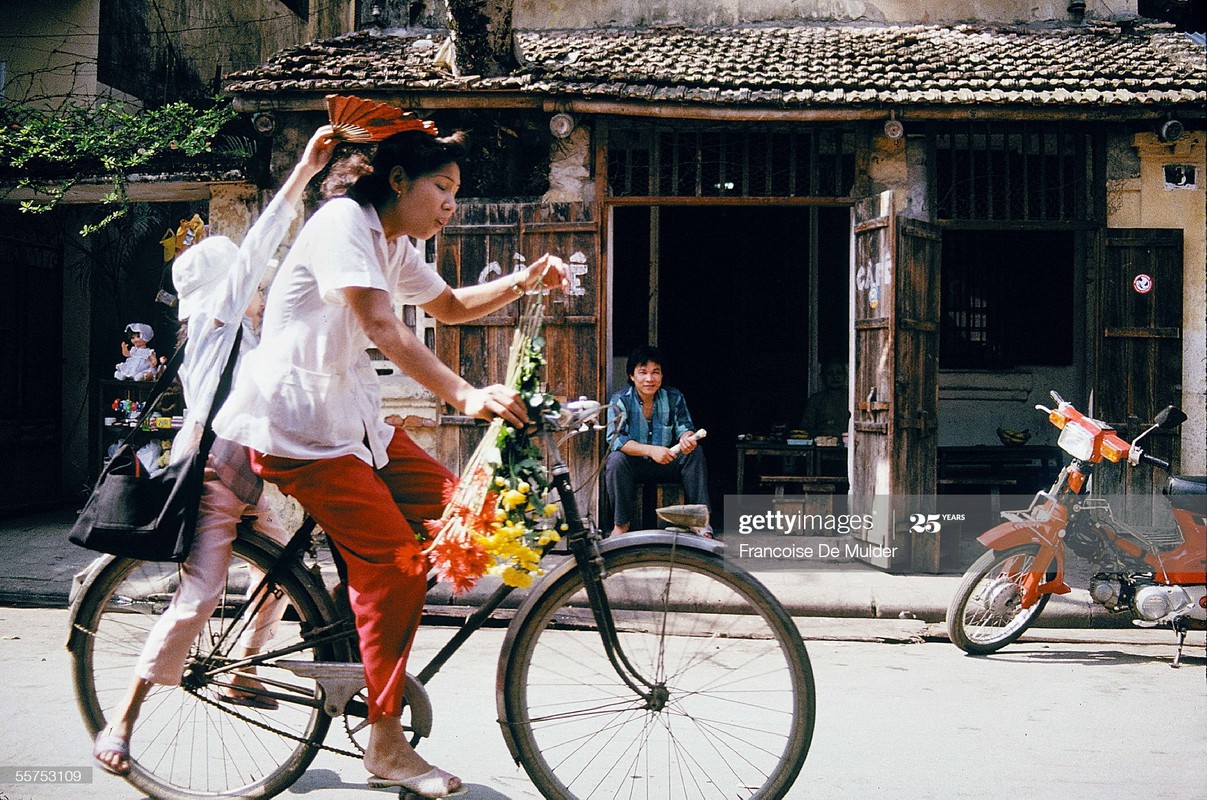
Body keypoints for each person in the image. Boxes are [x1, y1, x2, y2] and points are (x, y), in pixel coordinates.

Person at [211, 123, 568, 798]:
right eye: (443, 186)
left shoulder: (393, 241)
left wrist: (524, 279)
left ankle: (365, 641)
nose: (450, 204)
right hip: (300, 431)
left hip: (354, 423)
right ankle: (384, 741)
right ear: (398, 180)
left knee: (459, 511)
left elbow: (452, 306)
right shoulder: (345, 220)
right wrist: (464, 393)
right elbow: (382, 325)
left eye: (456, 191)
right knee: (398, 569)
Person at [92, 125, 339, 778]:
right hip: (208, 483)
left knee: (282, 574)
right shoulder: (215, 322)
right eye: (248, 279)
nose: (260, 285)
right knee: (200, 597)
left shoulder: (246, 333)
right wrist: (304, 173)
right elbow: (260, 247)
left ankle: (243, 673)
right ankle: (124, 715)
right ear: (230, 285)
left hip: (246, 483)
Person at [604, 345, 711, 536]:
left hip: (667, 461)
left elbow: (685, 428)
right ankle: (621, 524)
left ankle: (701, 522)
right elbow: (616, 440)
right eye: (643, 372)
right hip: (635, 465)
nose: (649, 379)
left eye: (656, 373)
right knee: (615, 460)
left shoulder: (673, 397)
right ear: (631, 376)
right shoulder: (620, 400)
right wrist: (651, 450)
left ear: (662, 376)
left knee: (695, 453)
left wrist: (687, 439)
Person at [800, 357, 850, 438]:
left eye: (839, 373)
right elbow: (805, 429)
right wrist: (822, 432)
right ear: (822, 376)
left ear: (845, 375)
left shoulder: (852, 399)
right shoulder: (815, 400)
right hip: (821, 444)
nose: (835, 376)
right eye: (830, 373)